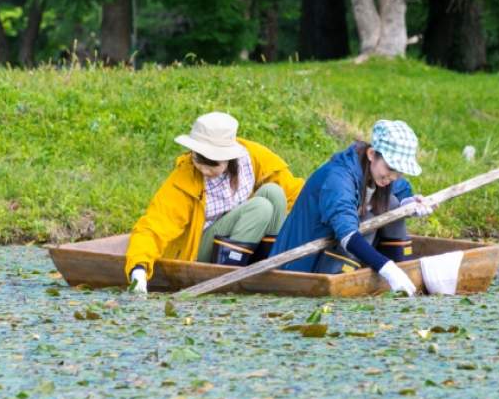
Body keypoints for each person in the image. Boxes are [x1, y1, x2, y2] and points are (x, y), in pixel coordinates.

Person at [125, 112, 304, 292]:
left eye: (212, 163)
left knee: (274, 193)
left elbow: (298, 193)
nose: (204, 169)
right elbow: (155, 225)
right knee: (261, 207)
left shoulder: (253, 159)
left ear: (229, 157)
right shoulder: (185, 179)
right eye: (198, 159)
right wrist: (138, 269)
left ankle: (269, 265)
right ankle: (227, 279)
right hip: (200, 250)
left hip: (241, 236)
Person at [269, 119, 433, 296]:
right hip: (300, 266)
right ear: (372, 154)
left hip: (331, 256)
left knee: (392, 203)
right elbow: (347, 233)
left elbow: (400, 188)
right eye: (391, 168)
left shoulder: (380, 173)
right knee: (370, 218)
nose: (393, 176)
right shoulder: (338, 178)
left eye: (399, 171)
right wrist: (387, 269)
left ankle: (403, 273)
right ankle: (379, 273)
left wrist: (409, 203)